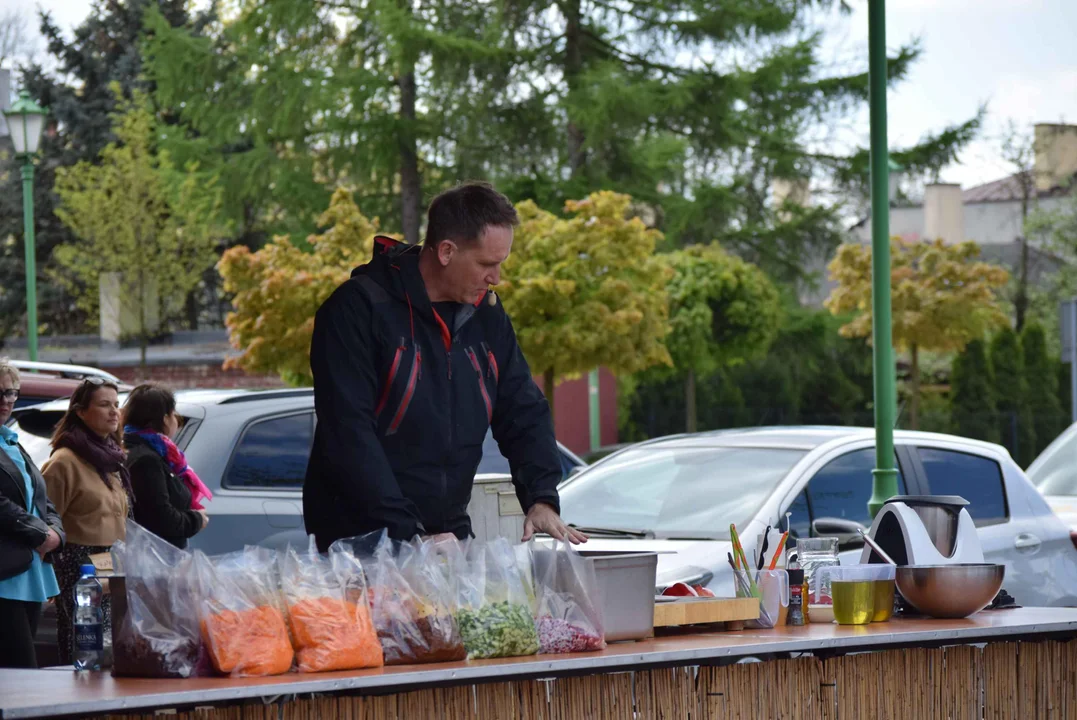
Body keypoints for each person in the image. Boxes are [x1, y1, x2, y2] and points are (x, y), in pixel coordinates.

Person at [304, 181, 587, 551]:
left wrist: (541, 497)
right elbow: (349, 434)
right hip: (359, 543)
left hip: (448, 538)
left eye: (502, 264)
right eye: (487, 264)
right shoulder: (358, 310)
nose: (496, 278)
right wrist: (409, 535)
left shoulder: (487, 316)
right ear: (446, 251)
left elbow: (523, 409)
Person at [42, 377, 131, 665]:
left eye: (116, 405)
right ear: (80, 412)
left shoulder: (111, 460)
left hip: (112, 564)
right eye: (104, 405)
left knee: (112, 653)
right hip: (79, 566)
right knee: (85, 653)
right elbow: (45, 522)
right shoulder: (64, 462)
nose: (114, 412)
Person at [0, 360, 64, 668]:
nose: (6, 400)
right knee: (20, 668)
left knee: (23, 672)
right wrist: (40, 534)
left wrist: (56, 532)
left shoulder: (12, 441)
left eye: (11, 393)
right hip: (4, 572)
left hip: (29, 569)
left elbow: (40, 499)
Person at [122, 384, 211, 549]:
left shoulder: (152, 451)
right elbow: (161, 518)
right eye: (173, 414)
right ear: (164, 418)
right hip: (156, 558)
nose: (176, 420)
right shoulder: (146, 460)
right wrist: (197, 519)